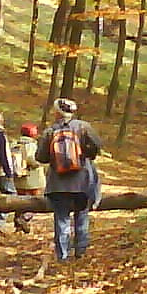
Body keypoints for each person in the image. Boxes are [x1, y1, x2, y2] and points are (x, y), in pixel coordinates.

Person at [36, 97, 103, 263]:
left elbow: (40, 157)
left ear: (57, 113)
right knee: (82, 216)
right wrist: (86, 154)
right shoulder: (83, 127)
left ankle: (63, 256)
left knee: (62, 220)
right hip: (82, 181)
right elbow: (98, 145)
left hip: (58, 183)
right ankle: (80, 252)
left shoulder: (50, 131)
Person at [11, 123, 46, 233]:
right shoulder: (33, 145)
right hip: (33, 180)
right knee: (36, 202)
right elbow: (33, 160)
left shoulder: (15, 144)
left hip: (19, 178)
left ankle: (18, 226)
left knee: (20, 201)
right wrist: (41, 162)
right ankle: (24, 219)